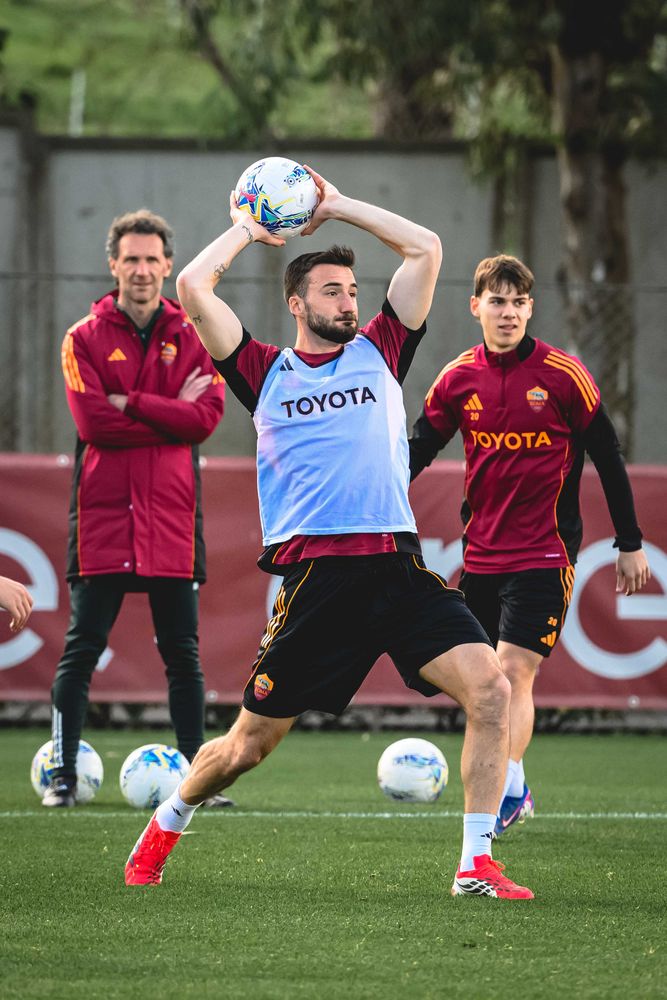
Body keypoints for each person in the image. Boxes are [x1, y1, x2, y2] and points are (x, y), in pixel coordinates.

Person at [124, 167, 534, 900]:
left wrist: (335, 207)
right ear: (296, 302)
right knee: (248, 747)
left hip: (397, 569)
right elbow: (192, 286)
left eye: (351, 290)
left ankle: (474, 864)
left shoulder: (381, 349)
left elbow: (425, 250)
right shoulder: (263, 370)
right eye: (331, 291)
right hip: (318, 580)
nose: (348, 301)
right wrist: (252, 228)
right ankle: (168, 819)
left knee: (492, 691)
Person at [409, 253, 651, 837]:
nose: (508, 311)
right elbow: (418, 449)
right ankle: (514, 786)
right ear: (476, 307)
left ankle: (506, 788)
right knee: (482, 681)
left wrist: (630, 541)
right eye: (497, 300)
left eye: (519, 302)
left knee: (515, 671)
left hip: (546, 552)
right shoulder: (456, 378)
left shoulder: (564, 375)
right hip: (482, 554)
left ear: (530, 309)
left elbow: (609, 455)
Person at [44, 209, 233, 809]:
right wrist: (165, 410)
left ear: (169, 265)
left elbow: (205, 421)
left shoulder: (198, 332)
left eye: (153, 259)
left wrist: (132, 401)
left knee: (183, 656)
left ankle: (198, 786)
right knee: (81, 650)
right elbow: (91, 422)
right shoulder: (83, 337)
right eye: (132, 259)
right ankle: (62, 778)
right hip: (104, 518)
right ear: (113, 265)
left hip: (172, 522)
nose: (143, 270)